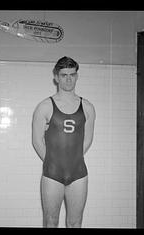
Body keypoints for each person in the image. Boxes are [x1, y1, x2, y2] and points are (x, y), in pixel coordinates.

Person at [32, 56, 95, 228]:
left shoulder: (87, 107)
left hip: (78, 173)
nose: (68, 79)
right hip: (52, 173)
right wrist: (53, 161)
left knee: (75, 222)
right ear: (56, 77)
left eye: (72, 75)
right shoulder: (45, 106)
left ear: (77, 76)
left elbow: (88, 139)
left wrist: (72, 159)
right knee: (50, 221)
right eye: (64, 75)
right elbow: (37, 141)